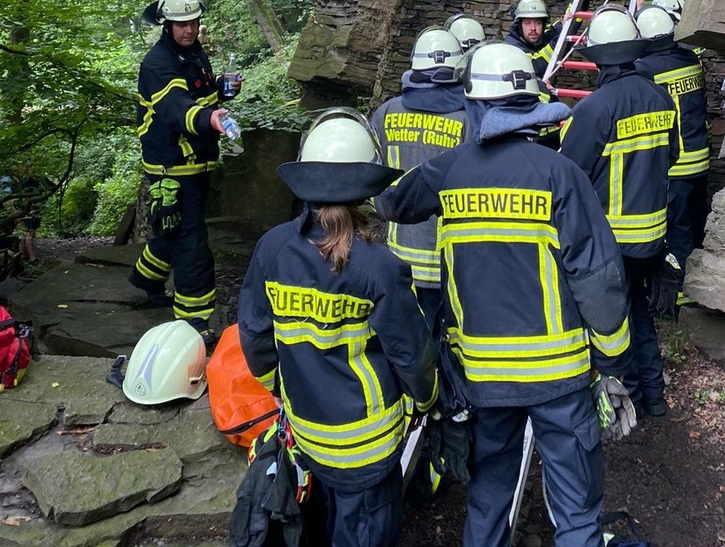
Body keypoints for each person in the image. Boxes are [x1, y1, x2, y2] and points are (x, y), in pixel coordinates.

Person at [380, 41, 634, 547]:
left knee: (490, 492)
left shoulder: (450, 172)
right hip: (559, 376)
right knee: (576, 511)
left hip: (483, 375)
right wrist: (613, 365)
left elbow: (392, 202)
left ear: (473, 103)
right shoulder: (560, 174)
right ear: (532, 106)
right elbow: (598, 277)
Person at [238, 109, 438, 547]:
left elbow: (254, 335)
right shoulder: (380, 266)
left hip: (307, 429)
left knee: (326, 518)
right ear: (366, 187)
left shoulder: (272, 249)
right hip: (368, 444)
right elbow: (410, 354)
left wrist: (279, 384)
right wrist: (426, 399)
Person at [559, 8, 677, 417]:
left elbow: (569, 175)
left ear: (597, 57)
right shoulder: (661, 97)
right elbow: (674, 156)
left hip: (612, 238)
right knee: (640, 312)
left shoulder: (595, 108)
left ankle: (619, 400)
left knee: (611, 318)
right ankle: (654, 398)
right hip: (653, 234)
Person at [131, 0, 237, 343]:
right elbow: (177, 108)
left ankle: (146, 279)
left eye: (192, 22)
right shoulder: (157, 63)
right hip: (172, 168)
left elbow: (198, 93)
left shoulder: (192, 53)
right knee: (192, 245)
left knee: (173, 229)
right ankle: (194, 324)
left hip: (197, 162)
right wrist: (209, 120)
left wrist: (221, 89)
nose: (188, 29)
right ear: (166, 24)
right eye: (180, 24)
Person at [371, 27, 471, 332]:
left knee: (408, 338)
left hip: (398, 254)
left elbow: (370, 175)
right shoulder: (468, 118)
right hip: (451, 258)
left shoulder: (386, 113)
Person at [636, 1, 710, 272]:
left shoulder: (646, 69)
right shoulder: (691, 58)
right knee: (698, 222)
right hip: (701, 158)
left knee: (677, 231)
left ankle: (681, 290)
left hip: (675, 166)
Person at [503, 0, 562, 80]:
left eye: (538, 23)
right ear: (519, 26)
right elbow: (534, 65)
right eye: (527, 23)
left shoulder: (540, 38)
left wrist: (566, 23)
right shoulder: (512, 48)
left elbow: (557, 31)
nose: (533, 28)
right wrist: (559, 43)